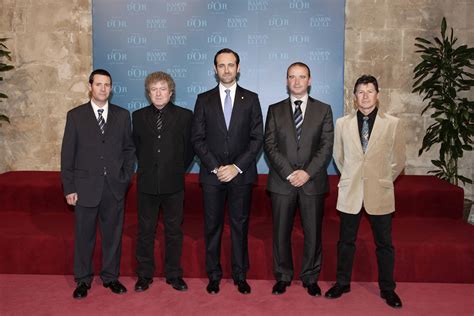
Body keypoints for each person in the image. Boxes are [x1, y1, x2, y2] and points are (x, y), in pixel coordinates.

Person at [325, 75, 405, 308]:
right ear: (354, 96)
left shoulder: (392, 123)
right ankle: (342, 283)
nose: (366, 96)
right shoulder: (342, 124)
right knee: (345, 241)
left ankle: (388, 289)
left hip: (379, 191)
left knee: (384, 244)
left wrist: (380, 179)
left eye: (370, 91)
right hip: (351, 192)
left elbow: (398, 160)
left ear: (378, 95)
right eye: (360, 91)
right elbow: (339, 157)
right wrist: (353, 177)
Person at [191, 48, 263, 295]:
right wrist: (216, 167)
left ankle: (240, 275)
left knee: (239, 226)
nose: (226, 70)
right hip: (212, 176)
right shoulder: (203, 99)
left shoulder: (251, 99)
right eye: (221, 65)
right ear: (215, 69)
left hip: (240, 176)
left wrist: (236, 167)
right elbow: (197, 139)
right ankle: (214, 275)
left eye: (231, 65)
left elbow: (257, 139)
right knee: (212, 226)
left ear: (238, 67)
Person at [61, 69, 135, 299]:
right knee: (84, 236)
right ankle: (83, 280)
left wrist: (124, 179)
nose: (103, 88)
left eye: (107, 85)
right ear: (90, 86)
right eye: (99, 84)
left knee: (113, 235)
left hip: (114, 187)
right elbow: (67, 155)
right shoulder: (75, 116)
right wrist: (69, 187)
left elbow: (129, 150)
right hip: (84, 189)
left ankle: (111, 277)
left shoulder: (123, 116)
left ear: (111, 88)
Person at [264, 62, 334, 296]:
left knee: (313, 233)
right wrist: (289, 173)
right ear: (286, 81)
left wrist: (306, 173)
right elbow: (270, 145)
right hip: (282, 182)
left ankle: (310, 277)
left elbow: (326, 147)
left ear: (310, 80)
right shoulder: (274, 110)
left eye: (301, 77)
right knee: (280, 232)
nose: (296, 81)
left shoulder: (324, 110)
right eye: (292, 77)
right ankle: (282, 276)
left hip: (312, 182)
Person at [132, 71, 194, 292]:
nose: (158, 93)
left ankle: (174, 274)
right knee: (145, 231)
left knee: (173, 231)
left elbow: (189, 150)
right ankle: (144, 275)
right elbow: (137, 148)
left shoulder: (186, 116)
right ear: (148, 93)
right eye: (154, 89)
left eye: (163, 89)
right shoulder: (137, 117)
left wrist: (176, 170)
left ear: (171, 92)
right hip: (147, 184)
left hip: (174, 184)